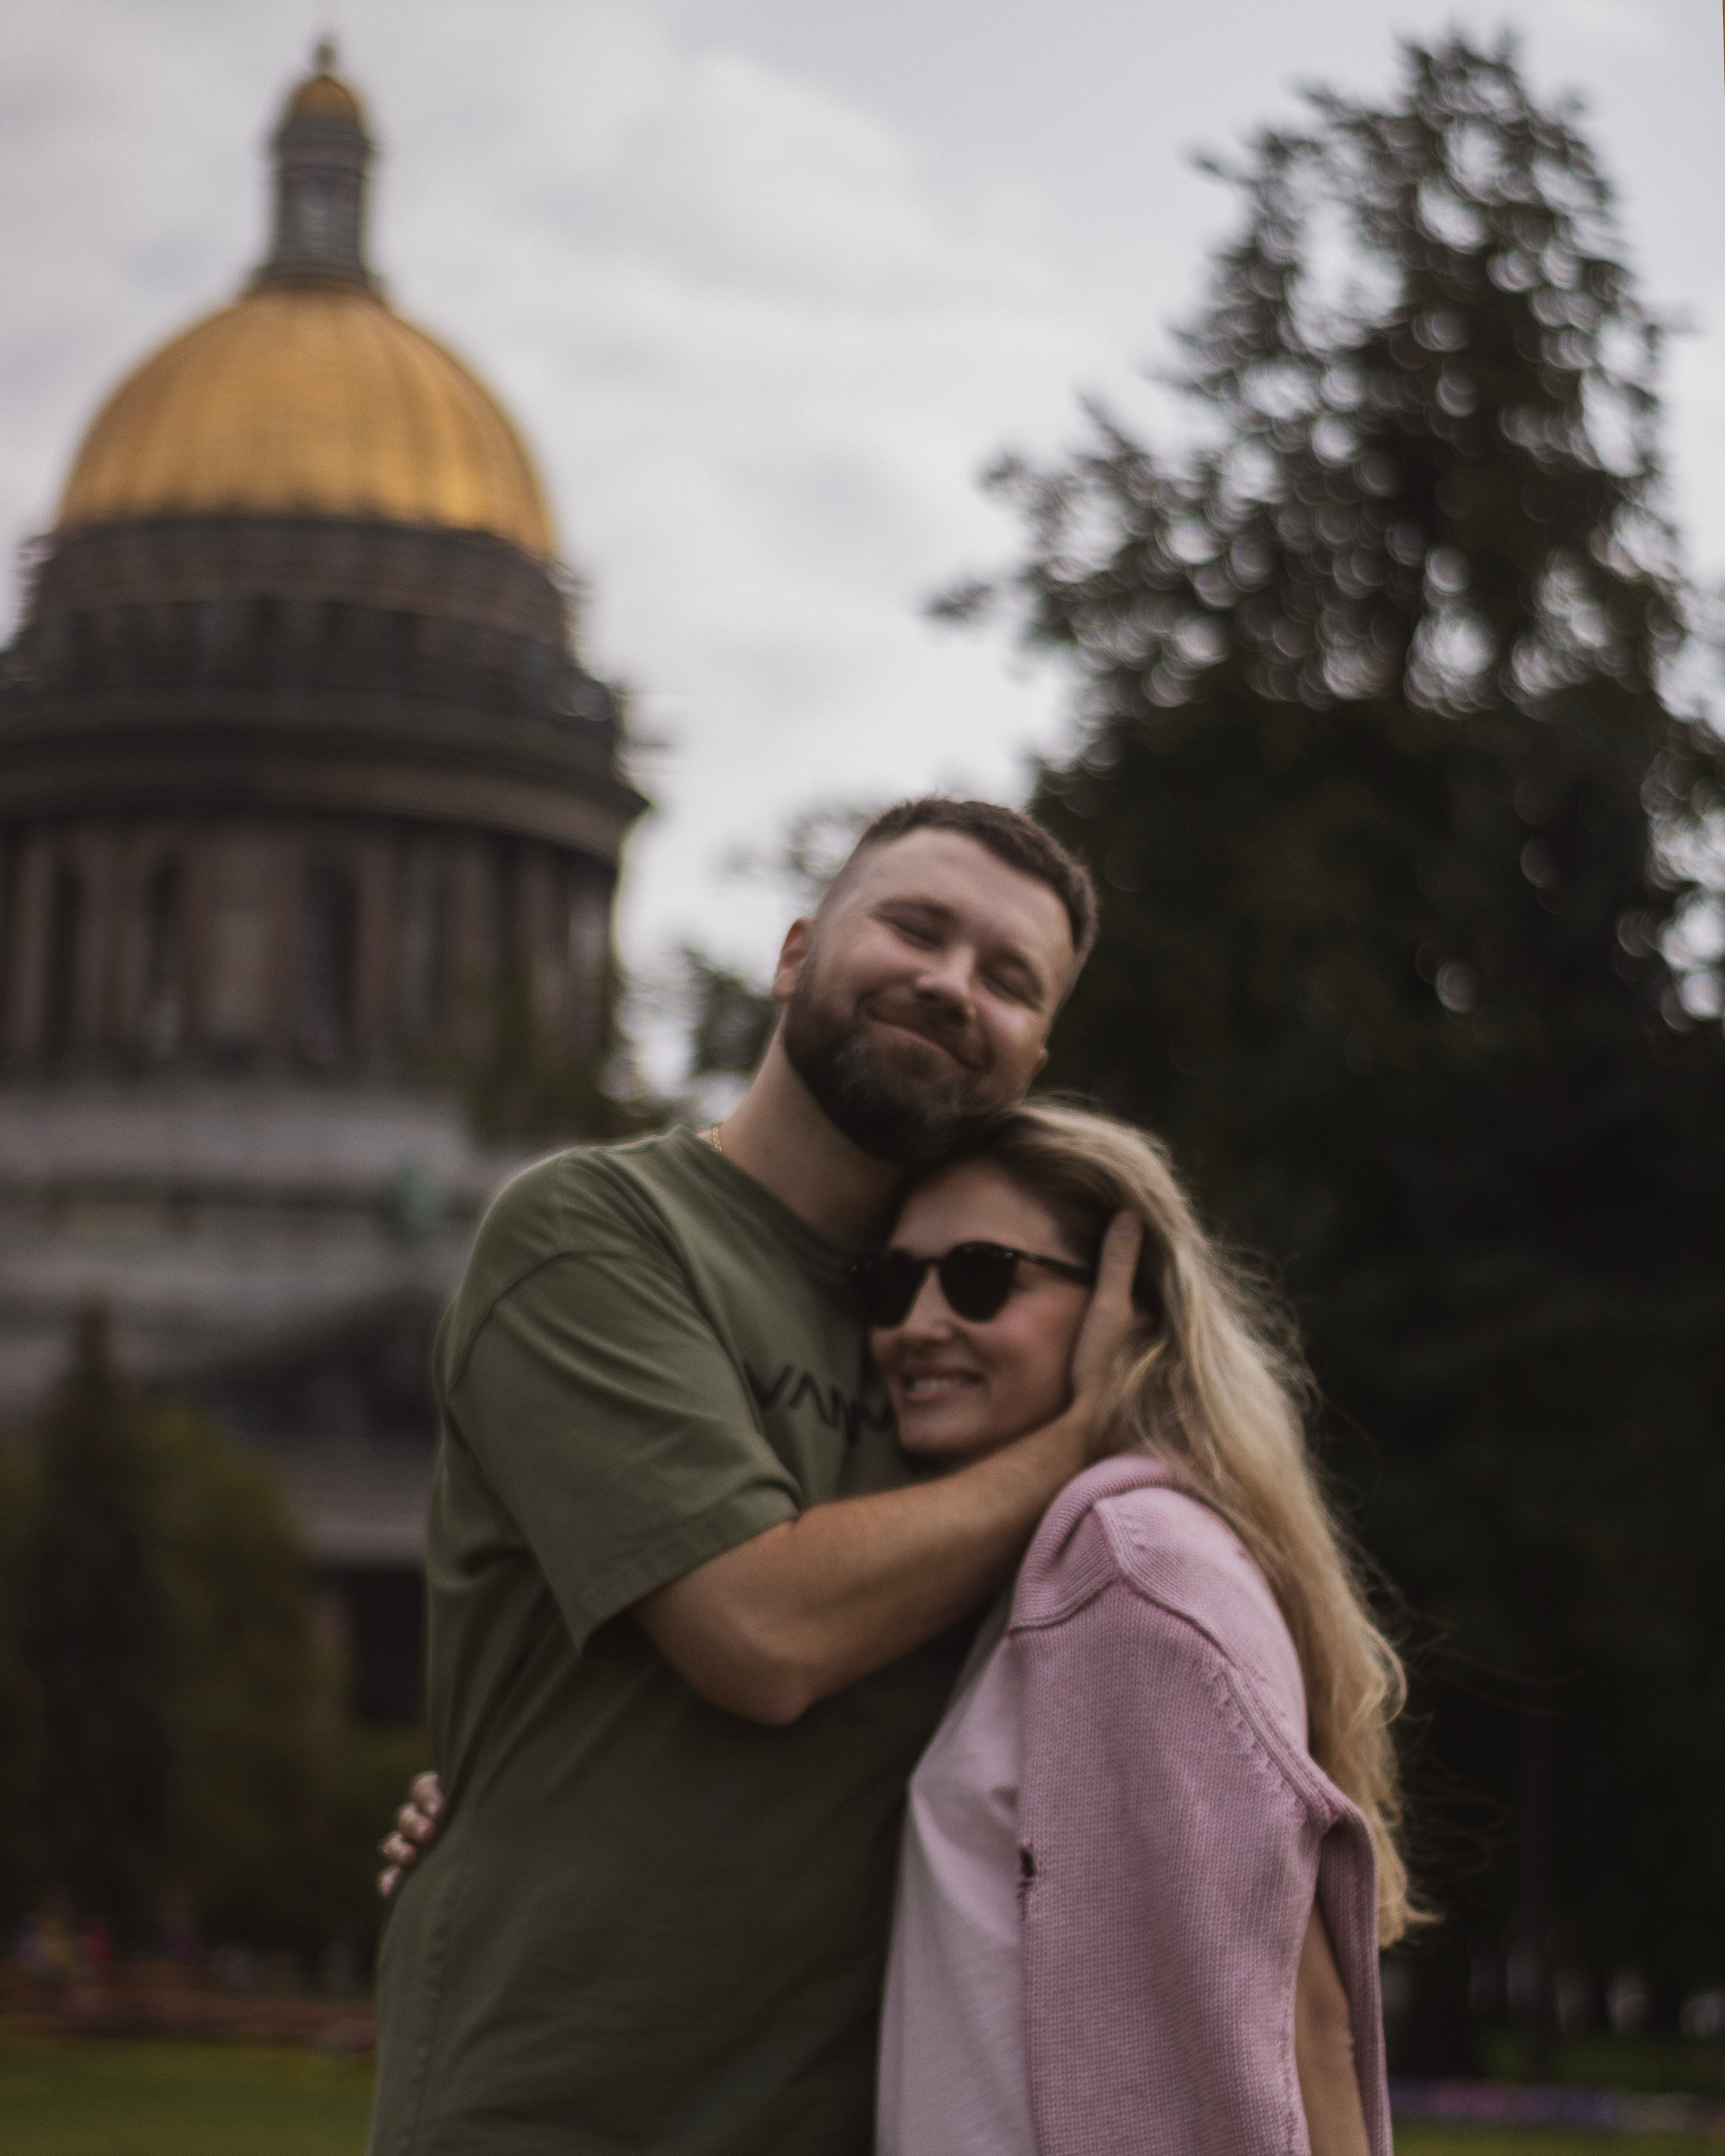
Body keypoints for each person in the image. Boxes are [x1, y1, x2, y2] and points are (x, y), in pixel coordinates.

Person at [388, 1099, 1410, 2154]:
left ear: (1123, 1305)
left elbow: (1302, 2017)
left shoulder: (1132, 1568)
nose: (920, 1321)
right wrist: (509, 1796)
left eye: (979, 1277)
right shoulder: (1020, 1571)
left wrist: (1075, 1438)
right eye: (889, 1283)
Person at [367, 798, 1143, 2156]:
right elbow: (759, 1632)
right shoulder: (592, 1233)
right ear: (793, 955)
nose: (952, 983)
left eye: (1007, 978)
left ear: (1031, 1057)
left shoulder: (986, 1330)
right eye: (914, 926)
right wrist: (1081, 1442)